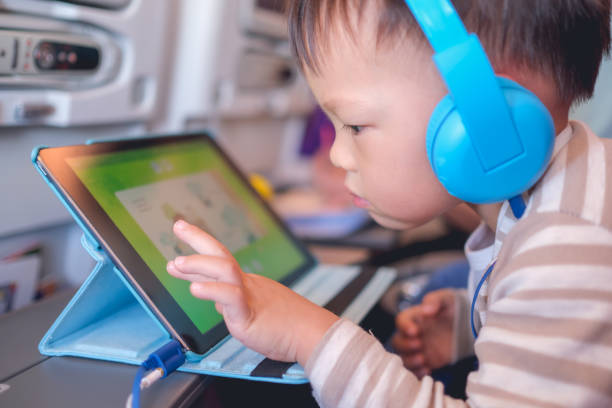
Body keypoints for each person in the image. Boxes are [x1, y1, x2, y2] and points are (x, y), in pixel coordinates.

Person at [166, 0, 612, 406]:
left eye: (355, 126)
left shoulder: (566, 244)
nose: (339, 155)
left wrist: (311, 335)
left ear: (486, 108)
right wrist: (470, 322)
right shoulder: (556, 195)